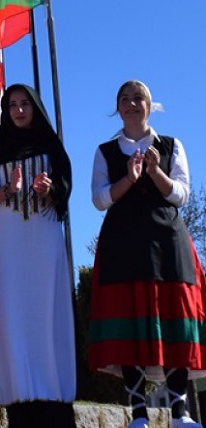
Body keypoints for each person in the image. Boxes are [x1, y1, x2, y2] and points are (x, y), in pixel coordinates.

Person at [89, 80, 204, 428]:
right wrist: (129, 178)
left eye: (137, 98)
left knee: (175, 325)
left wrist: (155, 173)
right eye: (124, 99)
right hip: (122, 244)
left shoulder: (170, 145)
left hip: (167, 242)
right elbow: (99, 199)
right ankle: (138, 413)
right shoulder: (105, 151)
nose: (130, 104)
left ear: (150, 106)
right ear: (118, 108)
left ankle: (179, 414)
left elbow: (181, 195)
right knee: (130, 322)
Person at [0, 84, 76, 427]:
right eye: (13, 105)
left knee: (47, 310)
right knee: (14, 312)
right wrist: (9, 189)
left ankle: (54, 391)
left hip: (45, 236)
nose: (19, 110)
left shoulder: (51, 145)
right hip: (9, 240)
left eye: (25, 104)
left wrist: (49, 189)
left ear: (35, 107)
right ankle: (18, 392)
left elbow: (66, 186)